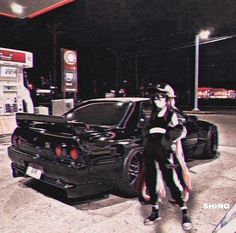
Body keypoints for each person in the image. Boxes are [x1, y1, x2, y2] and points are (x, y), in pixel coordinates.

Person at [139, 83, 192, 231]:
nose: (157, 101)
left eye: (160, 97)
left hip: (166, 154)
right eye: (155, 98)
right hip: (151, 152)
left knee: (172, 181)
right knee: (151, 181)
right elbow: (145, 131)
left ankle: (184, 212)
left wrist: (166, 137)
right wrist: (148, 136)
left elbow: (180, 130)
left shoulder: (173, 115)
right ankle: (155, 212)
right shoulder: (153, 115)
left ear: (167, 99)